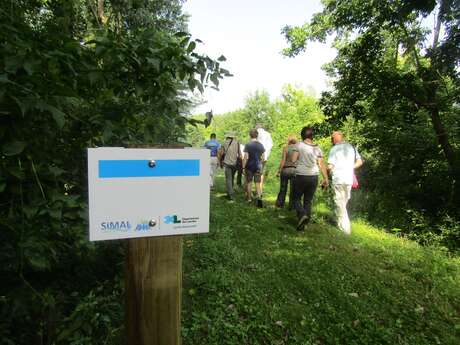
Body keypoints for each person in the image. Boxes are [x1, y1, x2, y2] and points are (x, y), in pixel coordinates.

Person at [291, 126, 329, 231]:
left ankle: (302, 214)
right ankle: (303, 224)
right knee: (308, 201)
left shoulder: (298, 145)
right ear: (312, 136)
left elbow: (293, 159)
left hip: (301, 175)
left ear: (302, 135)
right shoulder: (318, 148)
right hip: (314, 177)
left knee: (296, 199)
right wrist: (326, 178)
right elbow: (321, 165)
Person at [327, 131, 363, 234]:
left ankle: (345, 229)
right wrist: (350, 168)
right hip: (348, 179)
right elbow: (360, 162)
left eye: (332, 139)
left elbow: (330, 166)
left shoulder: (334, 149)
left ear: (333, 139)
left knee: (339, 202)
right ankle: (338, 221)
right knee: (343, 202)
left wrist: (325, 172)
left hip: (338, 178)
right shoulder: (351, 147)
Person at [243, 129, 265, 207]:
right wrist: (261, 166)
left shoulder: (248, 145)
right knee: (258, 183)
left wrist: (243, 167)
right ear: (257, 135)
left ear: (250, 135)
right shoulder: (261, 145)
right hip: (258, 166)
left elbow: (245, 157)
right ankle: (259, 198)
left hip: (249, 166)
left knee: (249, 182)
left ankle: (249, 199)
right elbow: (263, 158)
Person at [275, 134, 298, 210]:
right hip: (295, 170)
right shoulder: (298, 148)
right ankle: (292, 207)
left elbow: (283, 161)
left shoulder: (286, 148)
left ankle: (280, 204)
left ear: (288, 140)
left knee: (283, 188)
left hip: (285, 170)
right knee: (293, 189)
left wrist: (279, 171)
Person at [218, 132, 241, 201]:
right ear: (233, 137)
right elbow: (239, 154)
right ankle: (229, 192)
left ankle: (231, 195)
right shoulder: (237, 142)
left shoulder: (224, 143)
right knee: (232, 178)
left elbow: (221, 153)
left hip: (227, 163)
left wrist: (220, 162)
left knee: (228, 179)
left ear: (227, 137)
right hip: (234, 163)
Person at [256, 124, 273, 193]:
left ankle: (257, 193)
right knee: (261, 173)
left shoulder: (256, 133)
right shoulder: (268, 134)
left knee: (255, 173)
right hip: (265, 156)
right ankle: (260, 190)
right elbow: (271, 144)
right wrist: (267, 154)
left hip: (256, 156)